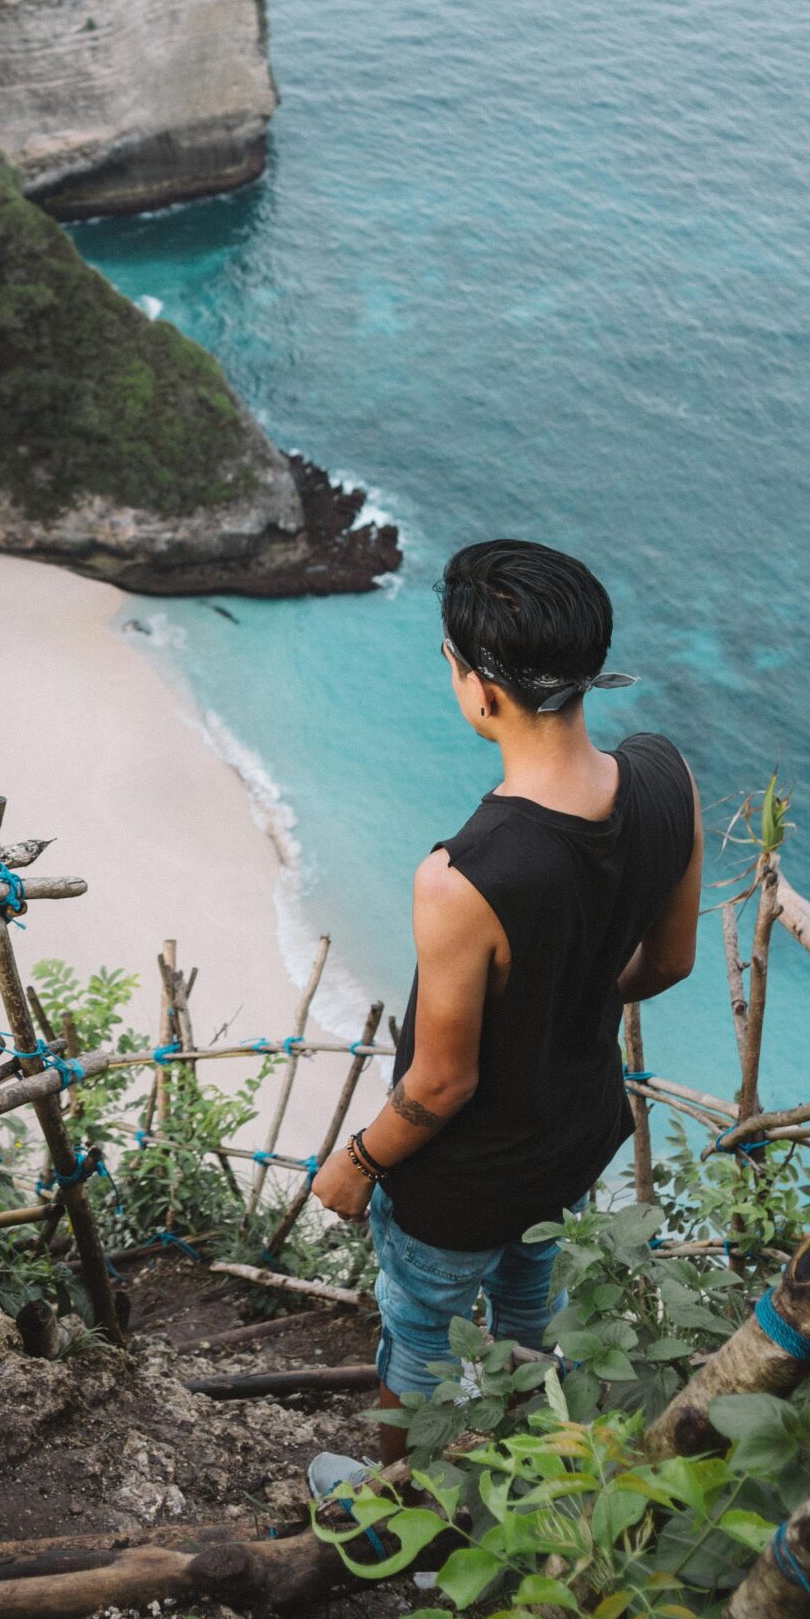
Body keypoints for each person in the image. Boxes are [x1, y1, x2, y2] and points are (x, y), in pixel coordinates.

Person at [308, 537, 701, 1483]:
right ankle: (524, 1458)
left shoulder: (463, 876)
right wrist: (565, 997)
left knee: (422, 1340)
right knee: (526, 1305)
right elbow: (672, 962)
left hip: (465, 1182)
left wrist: (354, 1163)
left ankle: (394, 1504)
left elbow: (442, 1081)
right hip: (575, 1135)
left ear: (479, 686)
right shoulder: (664, 776)